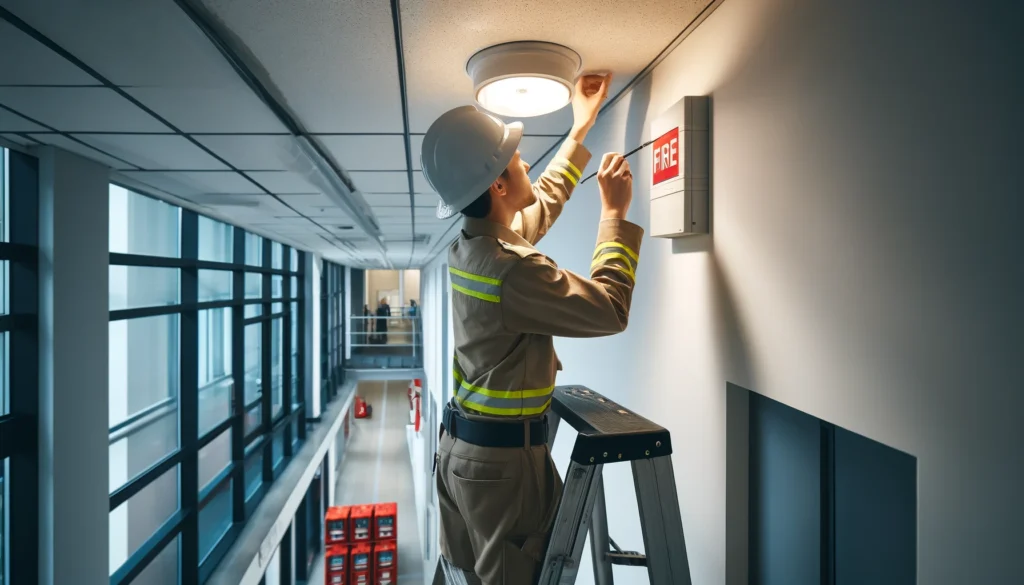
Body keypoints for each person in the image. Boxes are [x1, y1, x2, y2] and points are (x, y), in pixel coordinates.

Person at [421, 73, 643, 585]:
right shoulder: (513, 271)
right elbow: (610, 309)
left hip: (461, 458)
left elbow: (535, 208)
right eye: (516, 157)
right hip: (502, 470)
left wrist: (580, 129)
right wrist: (613, 214)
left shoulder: (471, 247)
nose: (525, 161)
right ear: (497, 184)